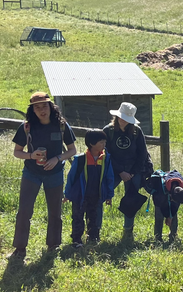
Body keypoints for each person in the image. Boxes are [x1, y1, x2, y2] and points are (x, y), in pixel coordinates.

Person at [10, 92, 77, 260]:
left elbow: (72, 150)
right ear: (32, 110)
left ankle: (53, 246)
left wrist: (57, 158)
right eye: (37, 107)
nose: (42, 110)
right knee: (24, 211)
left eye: (44, 106)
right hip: (31, 173)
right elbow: (17, 152)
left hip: (55, 173)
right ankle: (20, 249)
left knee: (55, 211)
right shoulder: (27, 127)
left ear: (51, 107)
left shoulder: (61, 126)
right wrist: (31, 156)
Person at [103, 102, 148, 243]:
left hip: (132, 170)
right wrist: (120, 171)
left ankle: (128, 231)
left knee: (131, 200)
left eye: (126, 119)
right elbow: (106, 154)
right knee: (102, 193)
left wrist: (133, 172)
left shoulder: (136, 132)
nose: (123, 121)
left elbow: (142, 154)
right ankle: (94, 228)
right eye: (122, 117)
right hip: (113, 169)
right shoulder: (108, 131)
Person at [64, 129, 114, 248]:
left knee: (94, 217)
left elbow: (109, 177)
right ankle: (76, 240)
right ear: (91, 144)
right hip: (80, 195)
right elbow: (71, 177)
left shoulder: (106, 159)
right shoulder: (80, 159)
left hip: (96, 194)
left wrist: (109, 195)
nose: (104, 144)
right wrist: (67, 194)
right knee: (77, 217)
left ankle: (93, 238)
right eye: (101, 142)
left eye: (104, 142)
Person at [148, 169, 183, 242]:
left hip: (167, 195)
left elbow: (176, 205)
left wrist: (171, 216)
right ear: (171, 196)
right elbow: (160, 204)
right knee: (159, 218)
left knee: (174, 217)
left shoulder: (180, 187)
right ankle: (158, 238)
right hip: (159, 201)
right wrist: (167, 215)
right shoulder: (161, 189)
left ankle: (173, 236)